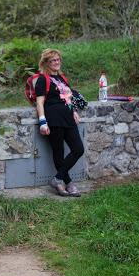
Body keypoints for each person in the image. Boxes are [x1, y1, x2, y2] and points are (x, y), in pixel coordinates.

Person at [35, 49, 84, 197]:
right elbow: (39, 102)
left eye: (58, 60)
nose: (56, 62)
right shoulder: (43, 79)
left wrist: (74, 111)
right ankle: (67, 183)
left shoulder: (63, 78)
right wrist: (43, 121)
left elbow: (67, 98)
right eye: (52, 60)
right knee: (59, 152)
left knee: (78, 149)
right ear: (46, 63)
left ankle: (57, 178)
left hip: (68, 118)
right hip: (54, 119)